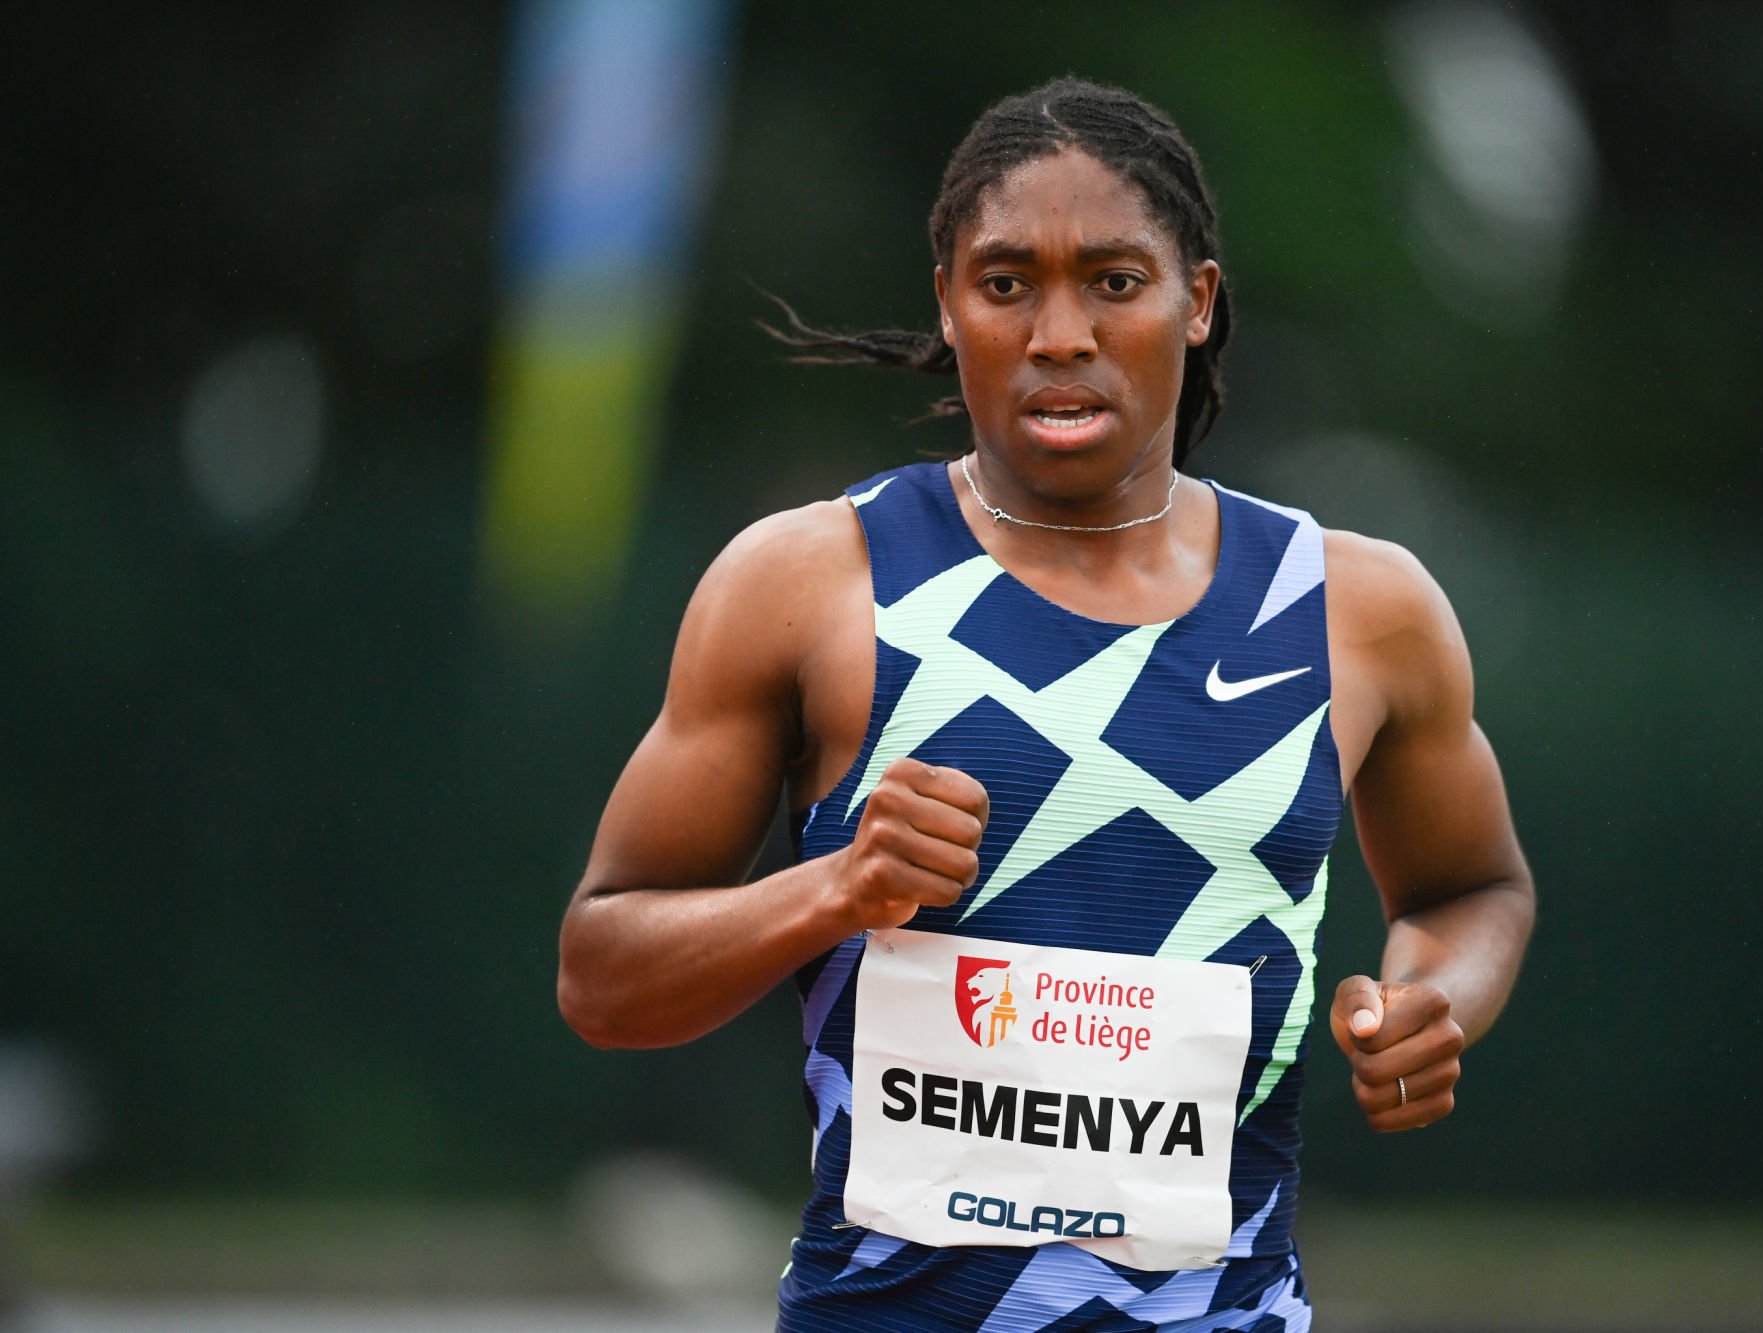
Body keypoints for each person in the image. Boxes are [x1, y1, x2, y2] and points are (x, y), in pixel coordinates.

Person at [558, 76, 1534, 1330]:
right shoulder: (806, 585)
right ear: (947, 304)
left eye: (1114, 281)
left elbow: (1471, 888)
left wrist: (1430, 1002)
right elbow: (602, 978)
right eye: (1006, 282)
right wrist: (834, 889)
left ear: (1197, 302)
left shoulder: (1355, 610)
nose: (1059, 333)